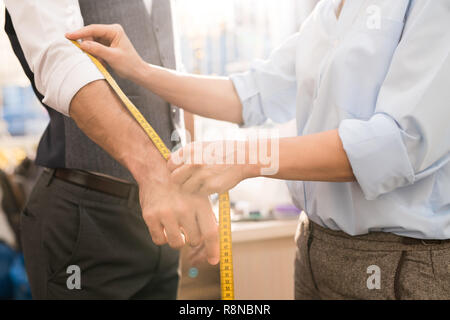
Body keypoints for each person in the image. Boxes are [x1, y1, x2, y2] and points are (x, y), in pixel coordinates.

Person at [67, 0, 450, 300]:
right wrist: (140, 70)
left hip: (402, 262)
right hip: (314, 248)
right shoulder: (326, 15)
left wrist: (247, 158)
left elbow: (397, 143)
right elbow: (248, 94)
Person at [4, 0, 219, 300]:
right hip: (85, 224)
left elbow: (171, 72)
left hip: (157, 221)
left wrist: (190, 185)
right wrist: (155, 175)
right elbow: (61, 61)